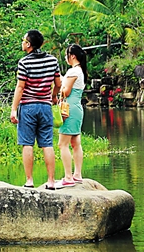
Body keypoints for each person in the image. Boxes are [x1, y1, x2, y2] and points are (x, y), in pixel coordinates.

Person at [10, 29, 61, 190]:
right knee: (47, 144)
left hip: (28, 107)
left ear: (29, 44)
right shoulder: (52, 60)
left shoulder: (24, 62)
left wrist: (13, 109)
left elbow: (20, 87)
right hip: (45, 106)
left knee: (27, 144)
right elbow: (58, 84)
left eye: (23, 40)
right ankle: (51, 181)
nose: (22, 42)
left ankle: (29, 181)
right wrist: (53, 96)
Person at [58, 43, 88, 187]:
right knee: (76, 143)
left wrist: (60, 88)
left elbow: (66, 92)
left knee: (62, 144)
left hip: (68, 108)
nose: (66, 58)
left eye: (67, 55)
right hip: (77, 108)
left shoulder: (73, 71)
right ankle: (77, 174)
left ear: (73, 56)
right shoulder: (80, 71)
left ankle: (68, 177)